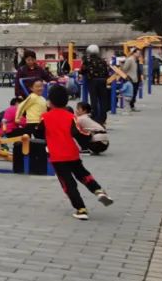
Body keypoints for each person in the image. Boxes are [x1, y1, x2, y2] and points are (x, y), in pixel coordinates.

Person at [44, 84, 114, 220]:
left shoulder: (45, 117)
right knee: (83, 174)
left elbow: (38, 132)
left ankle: (81, 209)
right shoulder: (71, 117)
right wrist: (87, 143)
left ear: (50, 101)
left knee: (68, 183)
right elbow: (79, 133)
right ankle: (98, 191)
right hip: (72, 154)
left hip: (57, 157)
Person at [82, 44, 111, 125]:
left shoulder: (87, 61)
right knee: (103, 100)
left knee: (94, 100)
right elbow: (107, 73)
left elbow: (82, 71)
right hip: (103, 81)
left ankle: (95, 117)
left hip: (93, 82)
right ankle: (103, 118)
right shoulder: (103, 61)